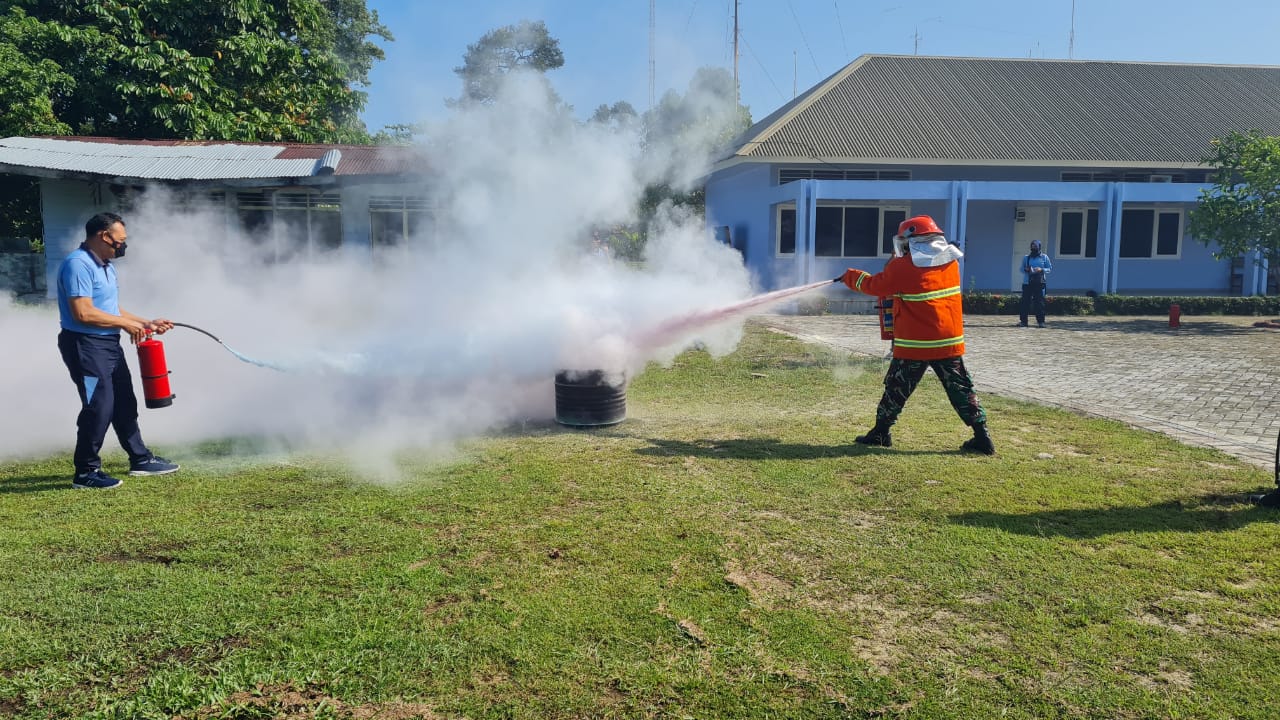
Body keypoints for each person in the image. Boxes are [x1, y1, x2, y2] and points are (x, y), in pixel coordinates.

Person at [839, 214, 995, 454]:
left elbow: (876, 286)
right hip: (948, 341)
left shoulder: (903, 266)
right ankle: (982, 437)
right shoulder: (951, 263)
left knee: (896, 387)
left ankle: (881, 432)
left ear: (910, 242)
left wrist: (850, 276)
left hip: (916, 343)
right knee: (961, 387)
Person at [56, 212, 180, 489]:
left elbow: (109, 309)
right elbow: (83, 313)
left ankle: (141, 459)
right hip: (85, 346)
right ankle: (86, 472)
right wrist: (125, 324)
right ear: (104, 235)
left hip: (108, 344)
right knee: (99, 406)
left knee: (124, 402)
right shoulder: (78, 265)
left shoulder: (106, 265)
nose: (122, 245)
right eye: (120, 240)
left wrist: (144, 322)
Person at [1019, 240, 1052, 328]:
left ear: (1039, 247)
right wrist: (1026, 269)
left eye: (1035, 246)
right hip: (1027, 283)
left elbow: (1049, 269)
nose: (1034, 248)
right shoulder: (1026, 258)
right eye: (1032, 246)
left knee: (1039, 303)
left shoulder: (1044, 257)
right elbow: (1021, 269)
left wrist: (1041, 269)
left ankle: (1041, 322)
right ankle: (1023, 322)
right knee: (1025, 302)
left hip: (1039, 283)